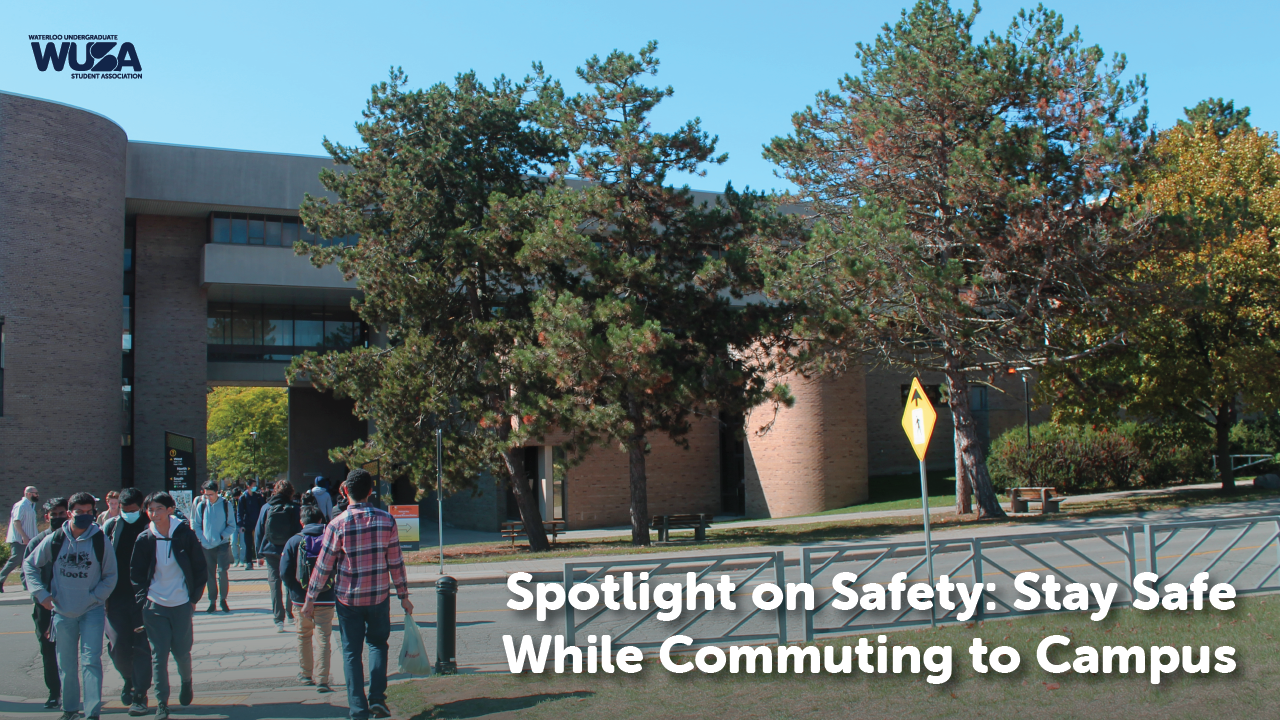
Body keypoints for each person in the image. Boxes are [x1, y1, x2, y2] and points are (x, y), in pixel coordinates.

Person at [302, 469, 412, 720]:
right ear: (371, 492)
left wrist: (310, 598)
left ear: (345, 492)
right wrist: (403, 595)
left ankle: (358, 709)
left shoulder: (336, 525)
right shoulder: (387, 520)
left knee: (351, 652)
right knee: (377, 645)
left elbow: (323, 566)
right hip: (378, 596)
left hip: (347, 598)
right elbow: (396, 562)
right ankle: (378, 699)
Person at [24, 491, 118, 720]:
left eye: (89, 512)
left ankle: (92, 712)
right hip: (62, 612)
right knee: (66, 664)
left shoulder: (100, 540)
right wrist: (42, 594)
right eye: (79, 512)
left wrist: (96, 597)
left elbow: (111, 575)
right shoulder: (56, 539)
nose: (85, 516)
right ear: (69, 514)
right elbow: (29, 566)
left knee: (91, 662)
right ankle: (69, 710)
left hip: (91, 612)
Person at [131, 491, 206, 720]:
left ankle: (186, 682)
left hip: (181, 602)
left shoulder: (184, 534)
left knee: (182, 652)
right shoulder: (145, 538)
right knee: (158, 654)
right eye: (151, 510)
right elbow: (135, 573)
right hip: (154, 605)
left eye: (159, 509)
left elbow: (199, 568)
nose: (154, 514)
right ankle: (161, 703)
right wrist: (143, 600)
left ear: (170, 509)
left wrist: (193, 599)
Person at [102, 488, 153, 716]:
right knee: (118, 647)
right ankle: (128, 678)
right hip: (116, 598)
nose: (127, 514)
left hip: (144, 598)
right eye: (124, 510)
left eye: (132, 511)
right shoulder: (111, 527)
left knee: (142, 647)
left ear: (140, 507)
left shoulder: (150, 526)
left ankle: (140, 695)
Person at [281, 505, 337, 693]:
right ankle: (322, 679)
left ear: (301, 521)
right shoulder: (331, 539)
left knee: (303, 635)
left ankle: (306, 674)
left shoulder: (293, 541)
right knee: (323, 638)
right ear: (321, 521)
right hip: (326, 596)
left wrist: (298, 594)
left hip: (300, 600)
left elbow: (285, 573)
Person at [23, 496, 68, 709]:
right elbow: (27, 574)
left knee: (70, 652)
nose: (58, 518)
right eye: (54, 514)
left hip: (70, 606)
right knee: (48, 652)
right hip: (45, 606)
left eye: (62, 513)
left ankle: (71, 690)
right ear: (46, 516)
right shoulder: (37, 541)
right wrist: (41, 596)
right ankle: (54, 692)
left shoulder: (73, 538)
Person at [255, 480, 301, 632]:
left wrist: (259, 554)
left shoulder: (266, 507)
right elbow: (298, 531)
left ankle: (278, 619)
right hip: (289, 551)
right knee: (289, 582)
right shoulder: (295, 508)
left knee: (275, 584)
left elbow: (259, 532)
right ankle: (290, 614)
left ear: (275, 491)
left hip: (270, 550)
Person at [190, 480, 235, 613]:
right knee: (209, 575)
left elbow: (232, 525)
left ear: (217, 493)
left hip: (221, 544)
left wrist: (222, 536)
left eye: (211, 494)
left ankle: (223, 599)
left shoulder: (226, 505)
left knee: (222, 571)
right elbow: (196, 524)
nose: (208, 497)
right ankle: (212, 601)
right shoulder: (202, 505)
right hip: (206, 545)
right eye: (206, 495)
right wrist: (201, 539)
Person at [2, 485, 40, 592]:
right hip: (19, 539)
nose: (37, 495)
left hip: (29, 539)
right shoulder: (21, 505)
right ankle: (1, 579)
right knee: (15, 559)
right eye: (35, 493)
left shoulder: (31, 506)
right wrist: (24, 536)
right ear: (28, 494)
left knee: (26, 561)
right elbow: (16, 522)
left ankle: (26, 584)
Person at [237, 480, 266, 571]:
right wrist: (241, 524)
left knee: (259, 542)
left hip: (257, 523)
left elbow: (263, 508)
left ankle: (259, 559)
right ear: (248, 486)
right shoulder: (243, 498)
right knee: (248, 543)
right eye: (253, 485)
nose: (255, 487)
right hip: (247, 524)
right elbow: (240, 512)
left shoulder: (258, 497)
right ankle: (249, 562)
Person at [229, 488, 245, 566]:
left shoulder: (243, 501)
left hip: (242, 524)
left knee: (242, 543)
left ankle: (242, 560)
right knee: (233, 542)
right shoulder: (230, 502)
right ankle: (236, 558)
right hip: (233, 525)